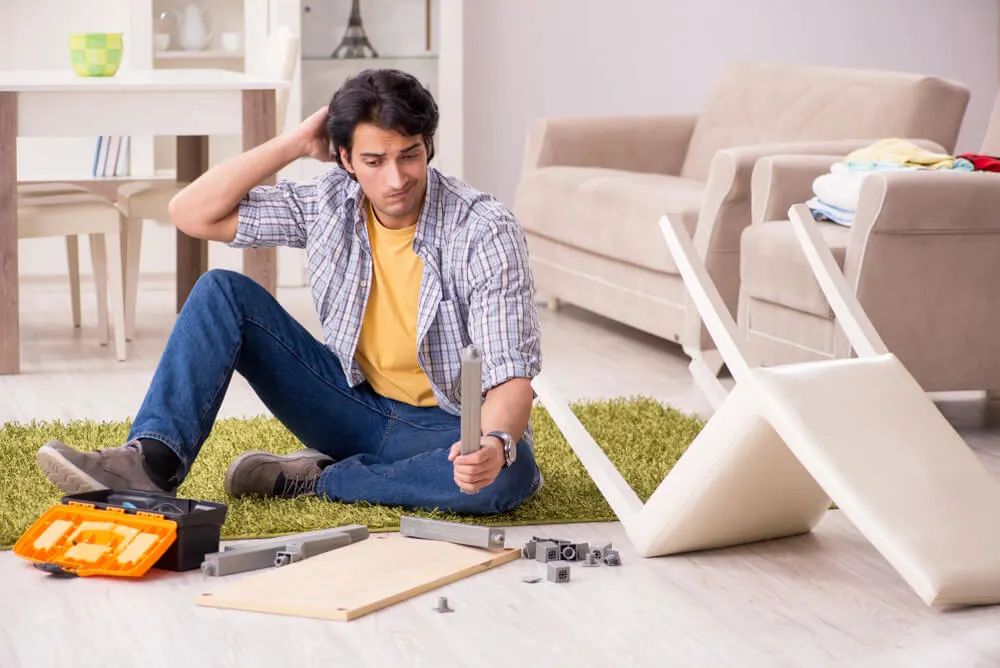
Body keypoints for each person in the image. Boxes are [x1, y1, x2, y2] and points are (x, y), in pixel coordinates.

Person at [35, 68, 543, 515]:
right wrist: (296, 143)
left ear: (428, 146)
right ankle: (151, 462)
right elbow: (191, 213)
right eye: (373, 160)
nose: (395, 178)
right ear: (343, 158)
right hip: (351, 406)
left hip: (443, 429)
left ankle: (321, 479)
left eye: (409, 155)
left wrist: (494, 444)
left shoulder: (484, 229)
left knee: (505, 478)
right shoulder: (329, 202)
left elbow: (509, 375)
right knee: (222, 292)